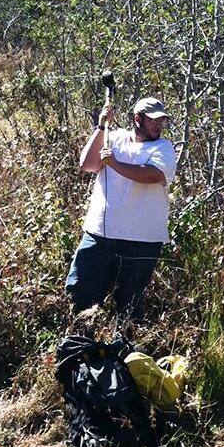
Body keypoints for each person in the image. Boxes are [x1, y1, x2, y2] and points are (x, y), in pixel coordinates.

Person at [65, 97, 177, 320]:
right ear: (138, 119)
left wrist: (114, 164)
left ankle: (123, 350)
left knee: (130, 306)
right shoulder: (113, 138)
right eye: (153, 120)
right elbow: (88, 164)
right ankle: (81, 346)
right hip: (99, 234)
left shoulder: (163, 148)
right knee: (80, 295)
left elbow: (152, 175)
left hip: (142, 241)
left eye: (162, 121)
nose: (158, 125)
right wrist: (102, 125)